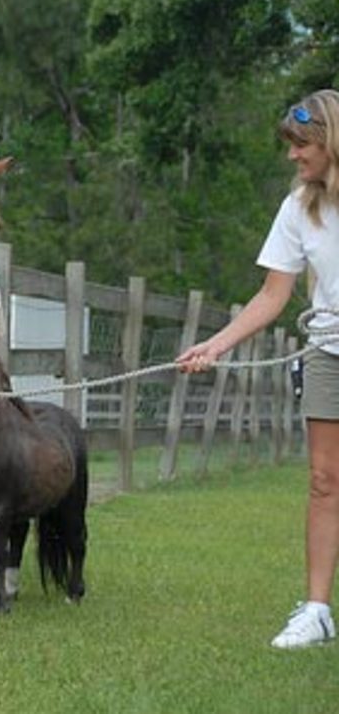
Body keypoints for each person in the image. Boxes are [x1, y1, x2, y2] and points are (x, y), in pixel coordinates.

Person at [177, 89, 339, 649]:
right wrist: (215, 346)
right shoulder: (300, 208)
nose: (293, 156)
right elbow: (272, 296)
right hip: (329, 353)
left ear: (330, 140)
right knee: (324, 481)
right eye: (291, 146)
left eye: (302, 145)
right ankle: (317, 611)